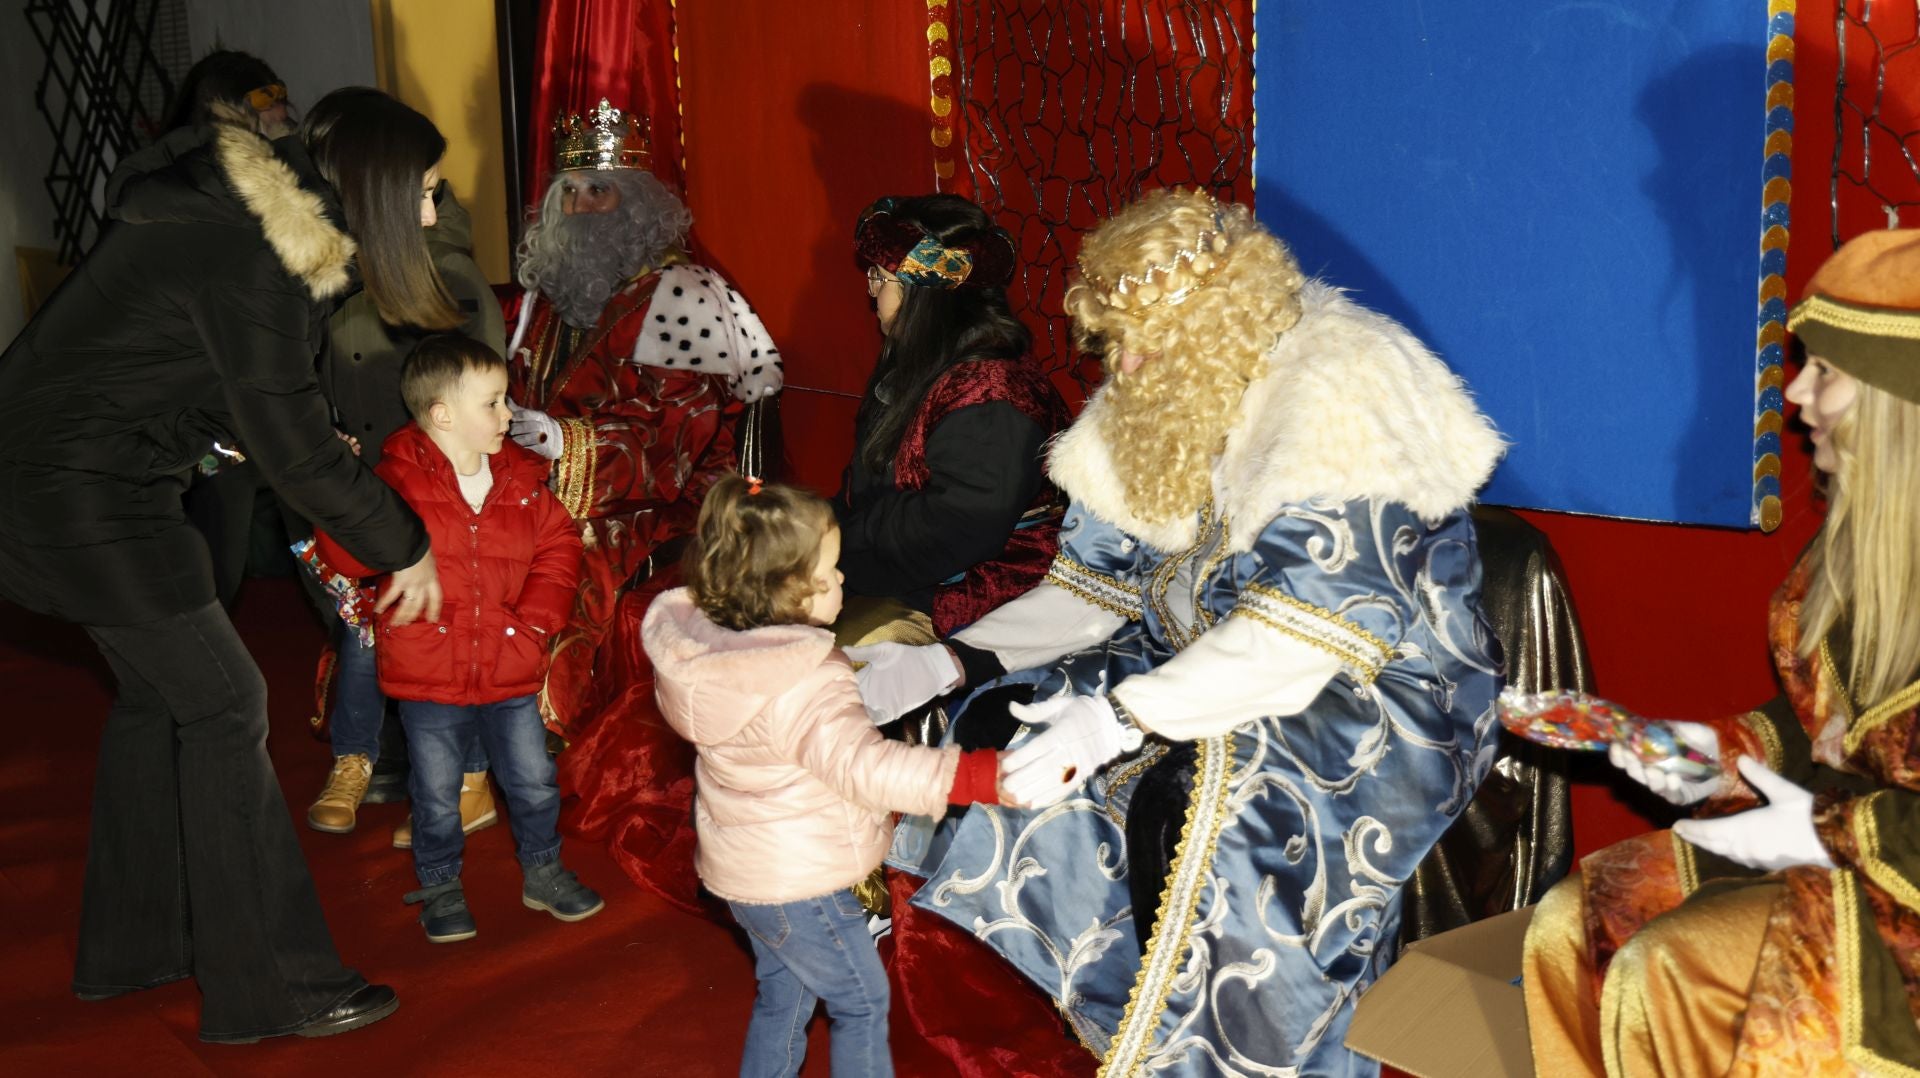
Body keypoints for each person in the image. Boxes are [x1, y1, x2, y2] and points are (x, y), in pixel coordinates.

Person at [861, 188, 1507, 1074]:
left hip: (1368, 687)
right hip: (1196, 650)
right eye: (1113, 343)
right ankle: (1108, 1008)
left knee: (1198, 801)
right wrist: (954, 658)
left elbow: (1308, 632)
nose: (1120, 368)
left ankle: (1222, 1052)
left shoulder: (1341, 391)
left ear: (1213, 324)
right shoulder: (1168, 389)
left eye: (1139, 343)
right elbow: (1094, 592)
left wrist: (1122, 718)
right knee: (1000, 723)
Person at [0, 86, 454, 1042]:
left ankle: (134, 948)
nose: (432, 212)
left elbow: (173, 373)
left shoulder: (245, 227)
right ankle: (274, 987)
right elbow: (291, 452)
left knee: (163, 699)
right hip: (72, 493)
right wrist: (407, 544)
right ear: (375, 188)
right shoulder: (256, 256)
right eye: (425, 191)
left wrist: (248, 432)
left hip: (71, 480)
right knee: (224, 704)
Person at [1522, 228, 1920, 1074]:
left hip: (1899, 893)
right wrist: (1711, 753)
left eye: (1827, 374)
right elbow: (1824, 721)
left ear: (1896, 403)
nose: (1796, 396)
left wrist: (1811, 832)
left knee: (1661, 969)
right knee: (1571, 924)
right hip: (1840, 846)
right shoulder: (1856, 549)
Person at [640, 475, 1012, 1077]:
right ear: (788, 591)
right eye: (829, 572)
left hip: (744, 871)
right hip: (799, 882)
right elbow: (865, 767)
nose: (843, 580)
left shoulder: (708, 656)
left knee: (784, 996)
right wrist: (973, 776)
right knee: (861, 1004)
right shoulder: (804, 676)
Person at [503, 98, 780, 744]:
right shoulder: (549, 297)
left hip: (660, 507)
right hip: (558, 485)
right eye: (568, 192)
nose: (579, 207)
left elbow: (674, 435)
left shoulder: (686, 293)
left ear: (637, 202)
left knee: (558, 567)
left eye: (599, 190)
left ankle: (520, 738)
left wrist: (561, 443)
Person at [316, 336, 601, 942]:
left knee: (531, 780)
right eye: (494, 404)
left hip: (509, 665)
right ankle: (440, 883)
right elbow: (348, 555)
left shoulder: (522, 481)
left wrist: (535, 622)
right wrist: (337, 496)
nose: (508, 416)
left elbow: (559, 546)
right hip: (429, 674)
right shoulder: (394, 482)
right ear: (443, 414)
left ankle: (543, 871)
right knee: (436, 793)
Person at [305, 122, 508, 844]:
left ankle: (464, 778)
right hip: (363, 481)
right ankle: (357, 758)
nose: (429, 209)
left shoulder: (441, 272)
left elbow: (480, 390)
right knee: (364, 631)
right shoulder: (322, 269)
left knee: (447, 636)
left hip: (434, 489)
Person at [836, 194, 1068, 647]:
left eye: (880, 279)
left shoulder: (994, 393)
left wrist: (838, 551)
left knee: (817, 662)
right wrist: (806, 530)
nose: (871, 292)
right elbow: (865, 488)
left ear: (922, 295)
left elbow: (959, 525)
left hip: (982, 592)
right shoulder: (921, 365)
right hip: (904, 565)